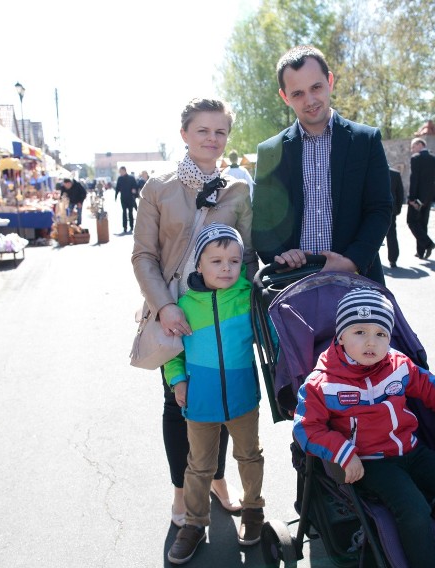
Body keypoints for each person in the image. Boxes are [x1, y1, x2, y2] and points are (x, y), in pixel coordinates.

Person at [293, 288, 435, 568]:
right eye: (359, 332)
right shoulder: (322, 382)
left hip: (411, 449)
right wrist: (343, 453)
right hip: (371, 462)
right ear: (340, 336)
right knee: (413, 509)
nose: (370, 342)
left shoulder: (398, 365)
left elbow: (430, 387)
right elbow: (306, 428)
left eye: (380, 334)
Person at [132, 97, 256, 532]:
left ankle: (218, 481)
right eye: (202, 130)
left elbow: (248, 254)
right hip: (174, 313)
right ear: (184, 134)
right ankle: (182, 491)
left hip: (221, 314)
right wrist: (163, 306)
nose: (212, 139)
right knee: (178, 402)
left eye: (220, 131)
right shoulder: (158, 188)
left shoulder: (238, 190)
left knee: (220, 399)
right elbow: (144, 255)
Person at [164, 223, 265, 564]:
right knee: (199, 466)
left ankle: (253, 510)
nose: (226, 268)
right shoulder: (184, 305)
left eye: (234, 261)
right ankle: (194, 524)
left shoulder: (249, 298)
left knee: (249, 456)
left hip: (242, 397)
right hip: (200, 401)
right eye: (216, 261)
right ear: (199, 265)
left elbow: (271, 340)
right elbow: (173, 353)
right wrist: (177, 380)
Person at [252, 45, 393, 285]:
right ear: (285, 97)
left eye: (316, 87)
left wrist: (352, 261)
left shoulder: (365, 140)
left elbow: (380, 209)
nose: (310, 100)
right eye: (297, 93)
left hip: (357, 280)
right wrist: (280, 257)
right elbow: (262, 222)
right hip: (291, 286)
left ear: (329, 81)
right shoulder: (269, 151)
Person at [407, 137, 435, 260]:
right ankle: (421, 252)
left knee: (411, 222)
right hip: (428, 198)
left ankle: (428, 244)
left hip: (417, 198)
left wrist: (412, 198)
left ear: (419, 144)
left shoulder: (416, 158)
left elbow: (414, 179)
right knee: (423, 223)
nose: (412, 150)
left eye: (413, 147)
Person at [385, 167, 405, 268]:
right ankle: (393, 259)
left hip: (372, 209)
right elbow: (400, 194)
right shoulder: (395, 174)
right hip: (391, 209)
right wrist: (398, 209)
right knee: (392, 234)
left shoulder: (372, 170)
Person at [113, 166, 139, 233]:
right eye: (119, 172)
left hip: (130, 198)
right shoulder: (120, 179)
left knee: (130, 212)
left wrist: (134, 191)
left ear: (124, 170)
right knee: (124, 212)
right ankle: (124, 227)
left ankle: (131, 226)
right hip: (123, 198)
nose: (120, 173)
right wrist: (115, 196)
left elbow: (135, 186)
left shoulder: (131, 178)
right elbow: (117, 188)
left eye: (121, 171)